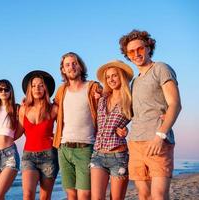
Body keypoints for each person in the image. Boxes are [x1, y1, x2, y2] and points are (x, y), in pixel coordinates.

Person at [119, 29, 182, 200]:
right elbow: (137, 112)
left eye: (140, 48)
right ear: (127, 55)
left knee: (159, 195)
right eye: (131, 51)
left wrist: (160, 135)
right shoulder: (135, 81)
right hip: (136, 142)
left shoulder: (161, 68)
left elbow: (175, 104)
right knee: (144, 195)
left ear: (148, 47)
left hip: (157, 141)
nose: (136, 54)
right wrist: (123, 128)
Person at [53, 52, 102, 200]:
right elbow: (51, 111)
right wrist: (26, 103)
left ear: (80, 66)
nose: (71, 67)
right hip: (64, 148)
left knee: (85, 194)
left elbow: (110, 102)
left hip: (86, 148)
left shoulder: (92, 87)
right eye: (67, 65)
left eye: (74, 63)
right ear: (63, 70)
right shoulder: (61, 91)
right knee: (71, 195)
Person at [90, 60, 134, 200]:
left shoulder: (130, 99)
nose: (111, 79)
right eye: (108, 77)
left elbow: (141, 120)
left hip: (119, 156)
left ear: (121, 76)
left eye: (114, 75)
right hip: (98, 155)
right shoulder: (102, 99)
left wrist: (127, 130)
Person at [15, 70, 59, 200]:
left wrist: (56, 136)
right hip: (29, 156)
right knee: (28, 194)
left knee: (45, 197)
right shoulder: (23, 109)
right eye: (33, 86)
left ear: (45, 88)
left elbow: (65, 127)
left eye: (41, 85)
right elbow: (19, 131)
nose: (37, 89)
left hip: (49, 155)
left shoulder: (54, 109)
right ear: (29, 89)